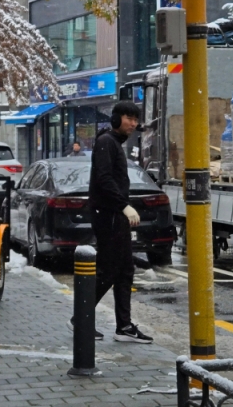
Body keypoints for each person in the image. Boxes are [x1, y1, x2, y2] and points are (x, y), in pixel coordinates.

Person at [86, 101, 153, 343]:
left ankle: (124, 326)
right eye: (128, 118)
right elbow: (103, 179)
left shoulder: (114, 143)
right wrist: (123, 206)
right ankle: (80, 318)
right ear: (116, 119)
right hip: (109, 215)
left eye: (135, 120)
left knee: (125, 270)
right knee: (109, 269)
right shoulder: (106, 142)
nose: (133, 124)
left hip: (115, 215)